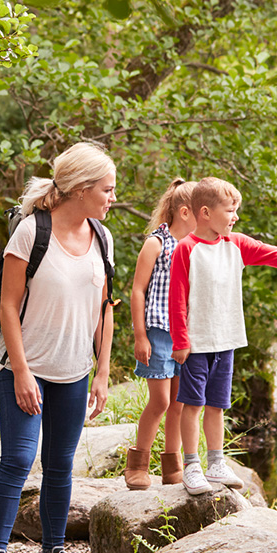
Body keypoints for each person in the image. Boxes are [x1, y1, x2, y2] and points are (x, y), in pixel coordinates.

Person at [0, 142, 117, 553]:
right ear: (80, 189)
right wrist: (20, 371)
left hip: (75, 371)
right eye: (107, 189)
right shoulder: (31, 232)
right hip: (26, 365)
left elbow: (105, 306)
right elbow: (10, 307)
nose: (112, 197)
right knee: (19, 458)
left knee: (60, 465)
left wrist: (102, 372)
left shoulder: (102, 236)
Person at [169, 177, 277, 496]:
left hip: (227, 341)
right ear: (206, 212)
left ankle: (215, 463)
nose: (235, 216)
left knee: (216, 405)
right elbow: (177, 298)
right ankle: (191, 466)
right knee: (191, 405)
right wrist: (180, 341)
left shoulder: (235, 244)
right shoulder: (187, 249)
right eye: (230, 210)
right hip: (196, 344)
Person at [124, 178, 198, 490]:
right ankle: (137, 464)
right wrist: (140, 336)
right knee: (161, 401)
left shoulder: (196, 245)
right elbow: (138, 291)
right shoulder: (157, 243)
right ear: (185, 212)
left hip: (186, 335)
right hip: (157, 333)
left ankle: (172, 466)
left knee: (180, 403)